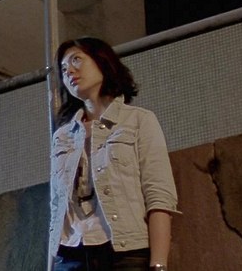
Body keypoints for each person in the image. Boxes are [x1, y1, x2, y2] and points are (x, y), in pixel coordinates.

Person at [49, 37, 178, 271]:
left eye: (76, 60)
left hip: (126, 254)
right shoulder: (62, 136)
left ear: (102, 60)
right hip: (71, 256)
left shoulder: (139, 120)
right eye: (64, 69)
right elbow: (57, 206)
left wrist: (158, 265)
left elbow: (159, 196)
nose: (69, 71)